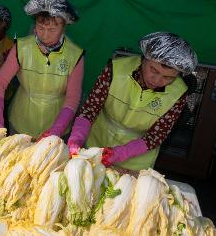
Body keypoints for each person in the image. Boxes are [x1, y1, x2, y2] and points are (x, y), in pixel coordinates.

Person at [68, 32, 198, 171]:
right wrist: (77, 137)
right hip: (97, 145)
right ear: (143, 59)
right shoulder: (115, 69)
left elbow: (156, 136)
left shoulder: (179, 93)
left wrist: (120, 153)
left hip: (136, 160)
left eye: (168, 78)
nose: (157, 80)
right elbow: (91, 108)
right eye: (153, 70)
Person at [0, 0, 85, 139]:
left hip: (57, 123)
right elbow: (0, 83)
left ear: (64, 27)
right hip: (20, 123)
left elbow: (73, 97)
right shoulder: (21, 47)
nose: (45, 35)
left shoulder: (75, 55)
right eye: (40, 28)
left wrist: (57, 129)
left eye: (52, 29)